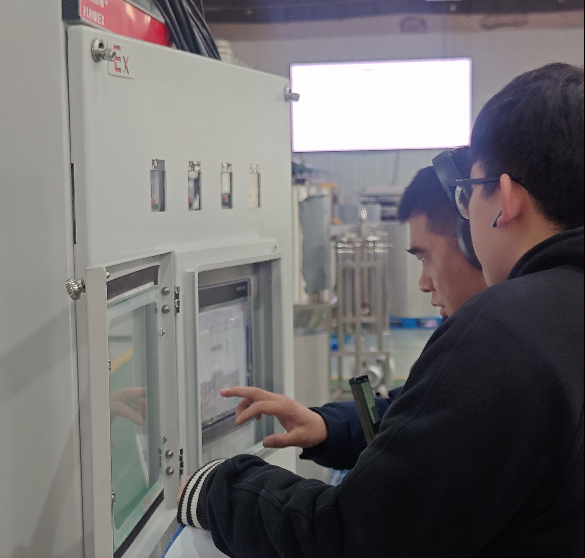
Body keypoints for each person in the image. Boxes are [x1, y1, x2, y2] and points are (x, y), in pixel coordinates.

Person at [178, 64, 584, 558]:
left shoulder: (504, 330)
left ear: (504, 198)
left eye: (468, 194)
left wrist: (216, 485)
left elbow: (353, 537)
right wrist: (333, 428)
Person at [209, 148, 487, 474]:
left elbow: (383, 497)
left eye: (425, 257)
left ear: (477, 243)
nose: (423, 284)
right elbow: (406, 414)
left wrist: (221, 486)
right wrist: (324, 425)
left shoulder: (498, 363)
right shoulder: (468, 346)